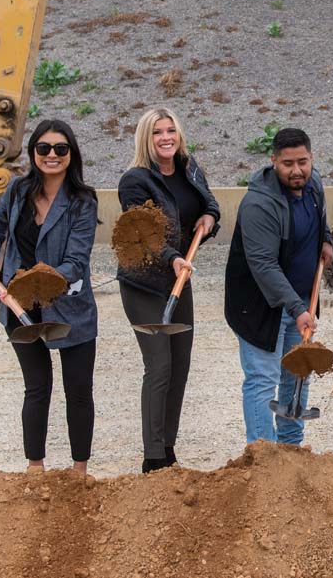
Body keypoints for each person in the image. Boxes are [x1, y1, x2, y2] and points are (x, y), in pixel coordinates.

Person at [0, 119, 99, 475]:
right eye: (43, 148)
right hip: (19, 306)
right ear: (33, 152)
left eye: (61, 148)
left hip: (69, 308)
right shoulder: (18, 190)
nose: (51, 155)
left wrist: (40, 281)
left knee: (78, 390)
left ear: (71, 154)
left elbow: (76, 260)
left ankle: (79, 471)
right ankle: (35, 467)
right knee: (37, 387)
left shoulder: (83, 201)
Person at [117, 108, 220, 472]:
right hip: (144, 283)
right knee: (159, 365)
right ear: (146, 138)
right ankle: (153, 456)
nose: (166, 137)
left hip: (179, 280)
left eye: (170, 130)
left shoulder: (189, 168)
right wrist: (172, 257)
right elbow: (141, 230)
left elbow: (209, 203)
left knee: (180, 365)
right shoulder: (134, 181)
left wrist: (210, 218)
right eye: (157, 132)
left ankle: (168, 448)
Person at [225, 127, 333, 444]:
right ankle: (262, 453)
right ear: (273, 161)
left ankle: (291, 448)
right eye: (288, 164)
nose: (296, 170)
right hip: (259, 305)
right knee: (263, 379)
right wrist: (298, 309)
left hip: (299, 299)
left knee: (297, 373)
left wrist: (326, 239)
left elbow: (320, 218)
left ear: (311, 157)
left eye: (302, 162)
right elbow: (264, 265)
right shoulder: (259, 204)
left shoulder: (313, 184)